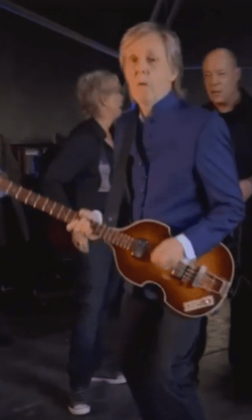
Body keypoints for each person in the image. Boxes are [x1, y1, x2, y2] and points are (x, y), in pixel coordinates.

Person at [67, 22, 244, 420]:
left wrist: (183, 244)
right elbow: (124, 202)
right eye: (131, 60)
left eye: (151, 59)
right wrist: (97, 218)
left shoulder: (203, 126)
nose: (140, 69)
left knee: (169, 374)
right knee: (131, 362)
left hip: (190, 269)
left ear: (173, 70)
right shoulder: (125, 126)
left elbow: (230, 207)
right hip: (141, 270)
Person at [39, 69, 126, 415]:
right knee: (90, 307)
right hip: (93, 238)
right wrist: (74, 219)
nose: (123, 98)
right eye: (118, 93)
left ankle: (99, 366)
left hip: (118, 236)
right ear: (103, 99)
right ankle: (78, 386)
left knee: (107, 302)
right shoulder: (84, 138)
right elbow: (52, 180)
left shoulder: (114, 137)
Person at [202, 47, 252, 399]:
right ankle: (181, 377)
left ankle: (244, 378)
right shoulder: (198, 120)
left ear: (237, 74)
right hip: (205, 227)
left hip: (249, 229)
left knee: (247, 303)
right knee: (192, 300)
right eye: (207, 76)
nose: (214, 82)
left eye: (221, 74)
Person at [0, 104, 30, 346]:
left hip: (7, 213)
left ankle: (2, 318)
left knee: (2, 267)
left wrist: (6, 178)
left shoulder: (2, 143)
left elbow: (16, 174)